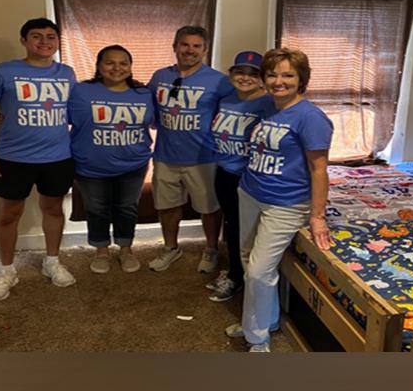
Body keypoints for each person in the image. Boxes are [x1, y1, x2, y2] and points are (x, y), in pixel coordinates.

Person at [224, 48, 334, 352]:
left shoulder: (311, 118)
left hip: (285, 204)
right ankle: (260, 321)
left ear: (302, 80)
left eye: (288, 75)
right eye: (272, 74)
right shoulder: (266, 107)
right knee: (249, 261)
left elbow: (319, 169)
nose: (278, 81)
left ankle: (257, 339)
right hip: (250, 192)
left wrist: (317, 216)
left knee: (259, 270)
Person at [0, 18, 77, 301]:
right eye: (37, 36)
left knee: (53, 210)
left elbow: (74, 112)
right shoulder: (0, 72)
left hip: (58, 156)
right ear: (24, 40)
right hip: (12, 158)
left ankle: (52, 261)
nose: (44, 42)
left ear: (57, 41)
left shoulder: (67, 73)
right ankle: (6, 270)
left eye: (51, 36)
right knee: (8, 215)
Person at [147, 26, 235, 273]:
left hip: (204, 157)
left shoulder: (219, 81)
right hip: (165, 155)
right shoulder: (159, 76)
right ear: (175, 46)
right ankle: (170, 248)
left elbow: (234, 112)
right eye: (185, 45)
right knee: (167, 206)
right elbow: (149, 110)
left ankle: (211, 249)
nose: (190, 50)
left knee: (209, 208)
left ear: (205, 50)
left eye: (197, 46)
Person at [68, 45, 154, 274]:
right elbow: (55, 117)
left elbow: (158, 122)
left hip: (133, 164)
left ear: (130, 66)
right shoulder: (80, 91)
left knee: (127, 208)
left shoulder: (144, 94)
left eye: (123, 63)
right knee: (96, 209)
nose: (117, 68)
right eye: (110, 62)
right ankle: (101, 251)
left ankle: (125, 250)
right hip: (90, 165)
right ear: (98, 66)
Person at [206, 51, 275, 302]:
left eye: (253, 73)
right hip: (224, 172)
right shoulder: (225, 100)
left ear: (262, 78)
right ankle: (236, 271)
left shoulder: (268, 104)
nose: (245, 77)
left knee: (245, 230)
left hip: (248, 177)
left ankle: (240, 277)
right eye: (240, 71)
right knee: (232, 225)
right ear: (231, 74)